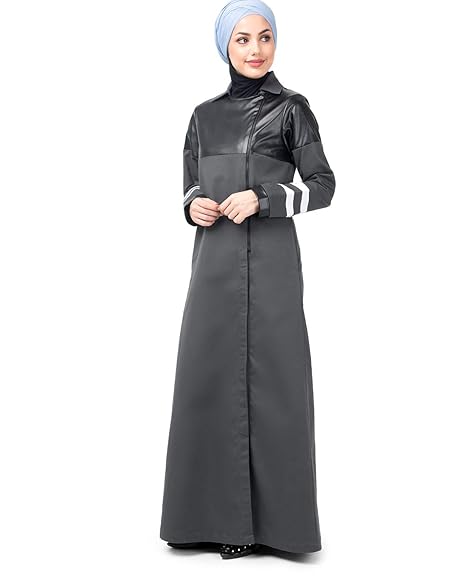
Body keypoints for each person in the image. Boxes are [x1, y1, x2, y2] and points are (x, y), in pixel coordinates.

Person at [160, 0, 335, 560]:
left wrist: (263, 198)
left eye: (265, 37)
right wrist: (193, 207)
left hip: (274, 270)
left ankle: (277, 529)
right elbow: (189, 187)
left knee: (277, 386)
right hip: (213, 270)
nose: (256, 49)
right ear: (224, 46)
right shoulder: (202, 116)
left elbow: (323, 186)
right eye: (242, 39)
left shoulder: (292, 110)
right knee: (205, 382)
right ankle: (201, 519)